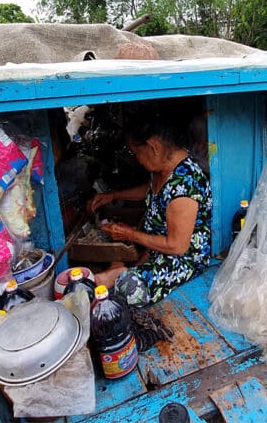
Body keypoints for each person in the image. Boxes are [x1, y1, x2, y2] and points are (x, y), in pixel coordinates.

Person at [87, 107, 212, 306]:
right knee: (120, 266)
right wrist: (113, 195)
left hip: (182, 259)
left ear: (152, 146)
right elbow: (153, 191)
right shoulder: (163, 168)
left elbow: (177, 246)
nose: (136, 158)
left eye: (136, 152)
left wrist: (131, 235)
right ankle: (122, 270)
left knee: (129, 290)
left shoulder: (185, 183)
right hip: (155, 249)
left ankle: (122, 272)